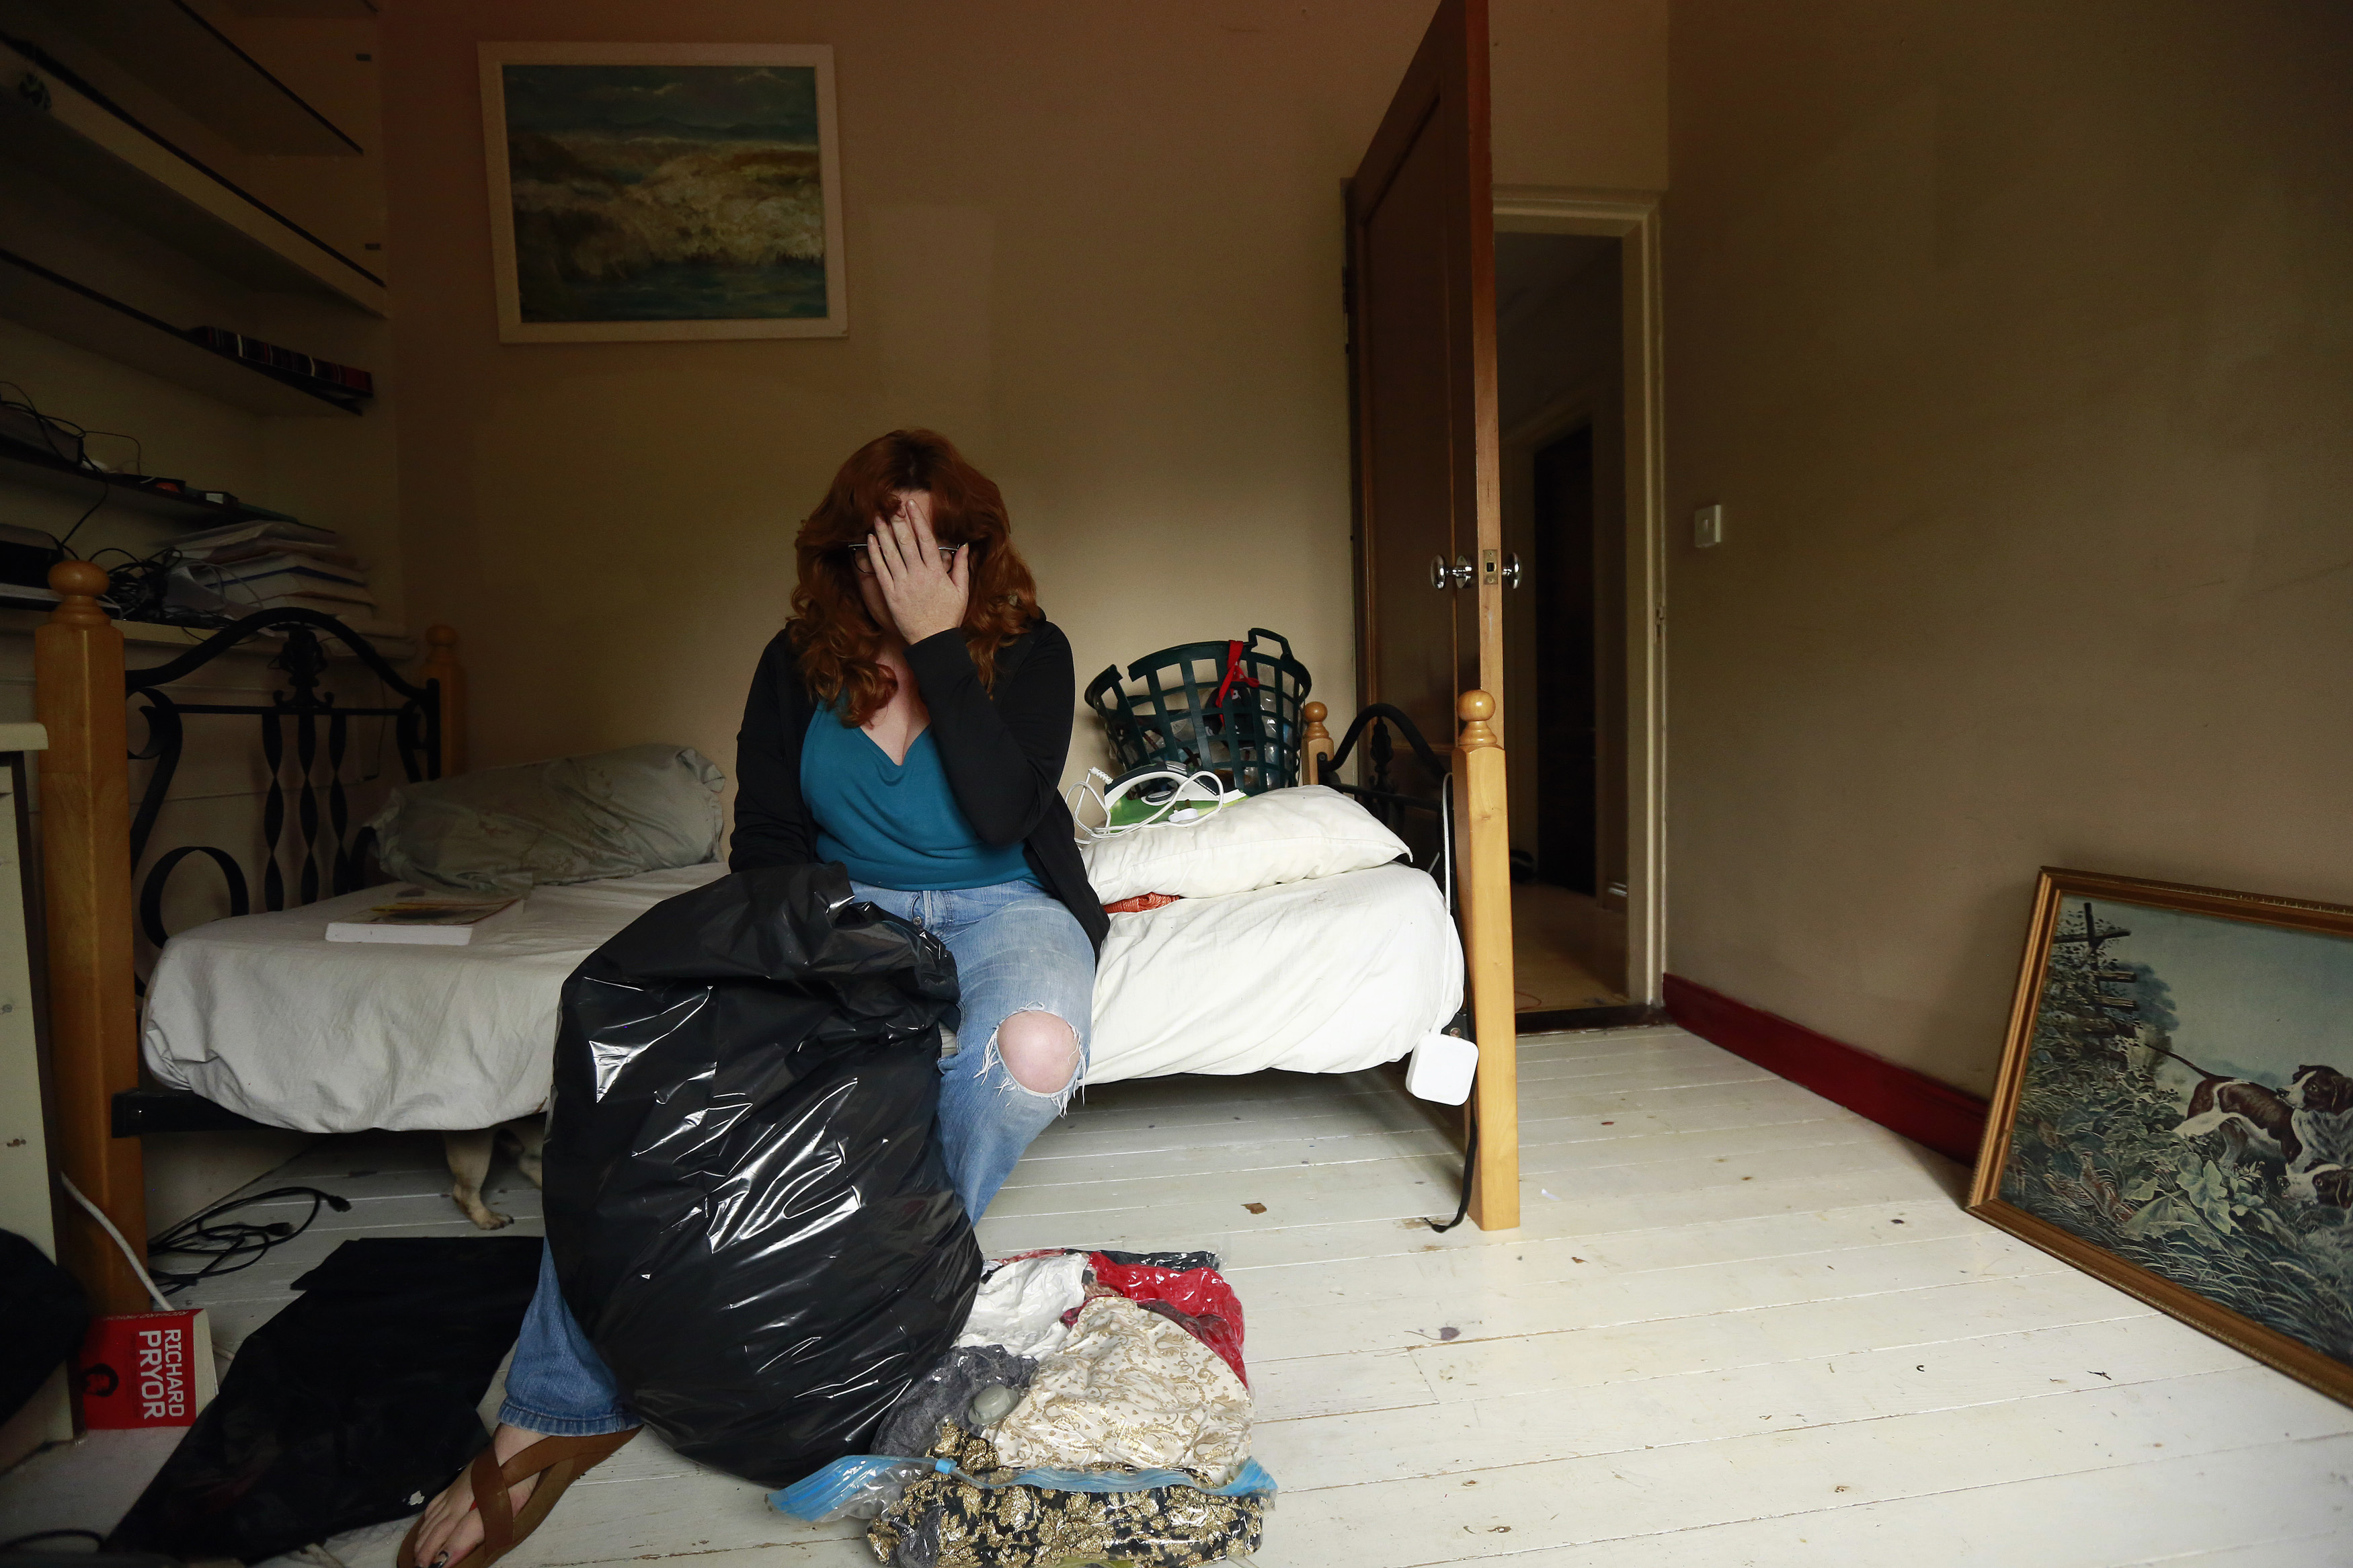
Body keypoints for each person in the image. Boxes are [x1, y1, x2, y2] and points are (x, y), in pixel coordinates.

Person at [401, 429, 1105, 1568]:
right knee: (648, 1071)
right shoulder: (797, 661)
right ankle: (553, 1404)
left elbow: (999, 814)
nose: (909, 573)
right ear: (845, 553)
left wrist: (935, 642)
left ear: (972, 555)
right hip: (844, 906)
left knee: (1031, 1053)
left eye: (935, 549)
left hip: (1003, 903)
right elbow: (770, 838)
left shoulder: (1030, 651)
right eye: (886, 550)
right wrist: (803, 956)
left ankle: (890, 1298)